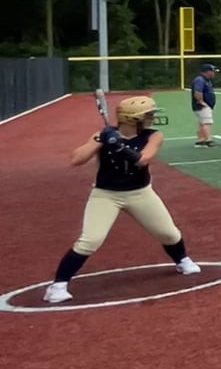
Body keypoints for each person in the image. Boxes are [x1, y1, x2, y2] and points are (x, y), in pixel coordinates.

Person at [42, 95, 200, 304]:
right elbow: (76, 159)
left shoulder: (154, 135)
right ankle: (57, 286)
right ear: (133, 118)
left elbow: (143, 160)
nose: (151, 118)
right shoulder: (104, 135)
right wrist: (101, 139)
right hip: (106, 195)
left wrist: (118, 146)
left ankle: (182, 260)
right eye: (148, 115)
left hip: (140, 193)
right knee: (90, 240)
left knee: (168, 233)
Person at [190, 63, 219, 147]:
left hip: (205, 105)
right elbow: (198, 92)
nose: (214, 73)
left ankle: (201, 140)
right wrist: (201, 102)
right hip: (202, 106)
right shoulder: (200, 80)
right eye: (213, 71)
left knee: (202, 123)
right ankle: (208, 140)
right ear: (207, 71)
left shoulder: (206, 80)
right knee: (207, 122)